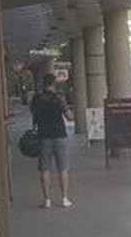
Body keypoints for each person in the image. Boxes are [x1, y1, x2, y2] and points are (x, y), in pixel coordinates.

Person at [30, 73, 74, 208]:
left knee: (45, 169)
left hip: (43, 136)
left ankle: (47, 200)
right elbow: (69, 117)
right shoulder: (58, 98)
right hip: (59, 135)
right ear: (54, 84)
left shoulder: (37, 99)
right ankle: (64, 198)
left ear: (43, 84)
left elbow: (33, 114)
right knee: (63, 168)